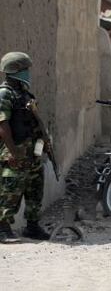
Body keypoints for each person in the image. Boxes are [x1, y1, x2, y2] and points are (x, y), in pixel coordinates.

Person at [0, 52, 50, 243]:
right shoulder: (5, 93)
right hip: (14, 152)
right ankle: (3, 228)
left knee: (35, 189)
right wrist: (13, 151)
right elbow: (3, 125)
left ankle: (32, 227)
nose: (28, 73)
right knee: (10, 190)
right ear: (16, 70)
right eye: (25, 69)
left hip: (32, 153)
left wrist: (43, 144)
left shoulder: (26, 94)